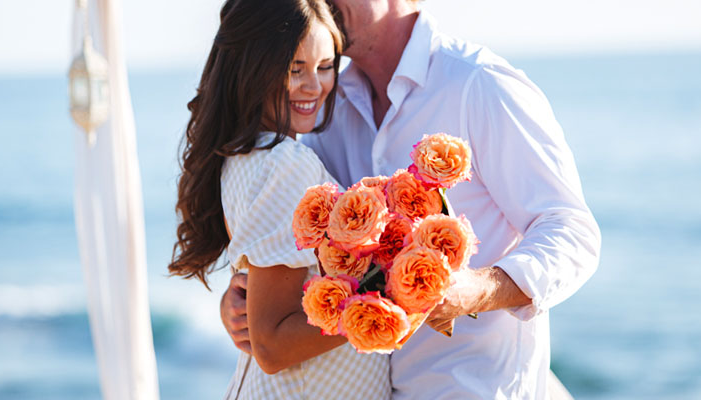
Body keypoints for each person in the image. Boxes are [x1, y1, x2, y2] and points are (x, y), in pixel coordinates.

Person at [220, 0, 602, 398]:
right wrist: (245, 299)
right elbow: (302, 253)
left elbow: (572, 231)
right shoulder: (325, 109)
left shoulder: (480, 83)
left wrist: (478, 289)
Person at [169, 0, 391, 398]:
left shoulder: (247, 154)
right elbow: (271, 345)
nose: (314, 86)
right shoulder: (284, 163)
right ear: (252, 67)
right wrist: (395, 300)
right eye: (294, 69)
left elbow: (270, 295)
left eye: (325, 67)